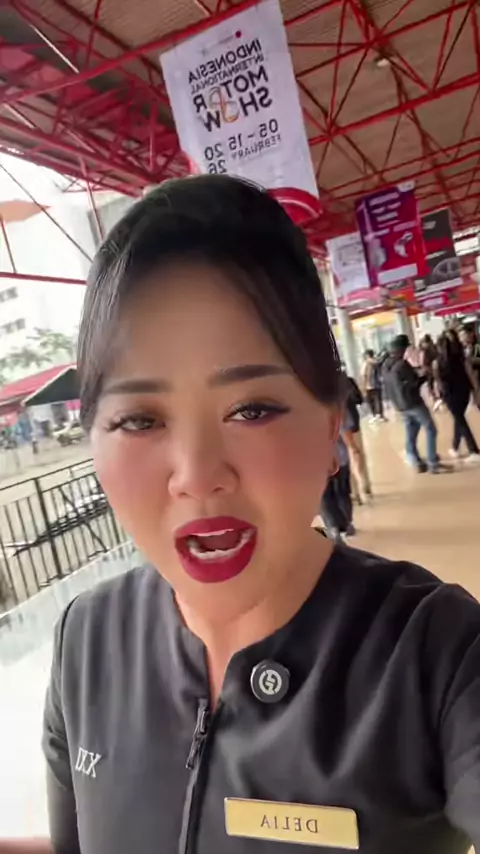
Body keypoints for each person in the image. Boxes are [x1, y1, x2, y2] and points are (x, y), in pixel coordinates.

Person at [3, 175, 480, 854]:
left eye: (252, 409)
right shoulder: (86, 640)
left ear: (331, 425)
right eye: (139, 419)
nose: (197, 475)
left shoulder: (438, 656)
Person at [384, 334, 447, 474]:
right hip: (413, 403)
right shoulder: (402, 365)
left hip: (400, 406)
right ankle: (433, 462)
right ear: (402, 348)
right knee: (431, 429)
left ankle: (414, 460)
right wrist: (424, 376)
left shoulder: (386, 365)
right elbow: (413, 383)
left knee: (411, 431)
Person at [434, 330, 480, 463]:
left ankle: (474, 450)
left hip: (450, 395)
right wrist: (475, 391)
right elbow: (470, 374)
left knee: (460, 420)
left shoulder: (437, 362)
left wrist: (439, 399)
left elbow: (439, 383)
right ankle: (455, 447)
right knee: (459, 419)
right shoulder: (460, 357)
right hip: (464, 392)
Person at [341, 373, 372, 503]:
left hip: (336, 430)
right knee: (358, 454)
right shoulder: (347, 380)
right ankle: (365, 485)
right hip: (352, 423)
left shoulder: (321, 386)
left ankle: (354, 492)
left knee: (345, 460)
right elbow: (359, 399)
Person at [319, 433, 355, 542]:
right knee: (342, 493)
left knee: (325, 497)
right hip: (340, 458)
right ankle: (346, 525)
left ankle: (334, 529)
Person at [361, 349, 385, 420]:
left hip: (369, 385)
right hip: (377, 384)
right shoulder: (377, 362)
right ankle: (380, 415)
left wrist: (363, 386)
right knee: (378, 400)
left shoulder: (366, 364)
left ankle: (374, 415)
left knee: (371, 401)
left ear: (367, 356)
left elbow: (363, 375)